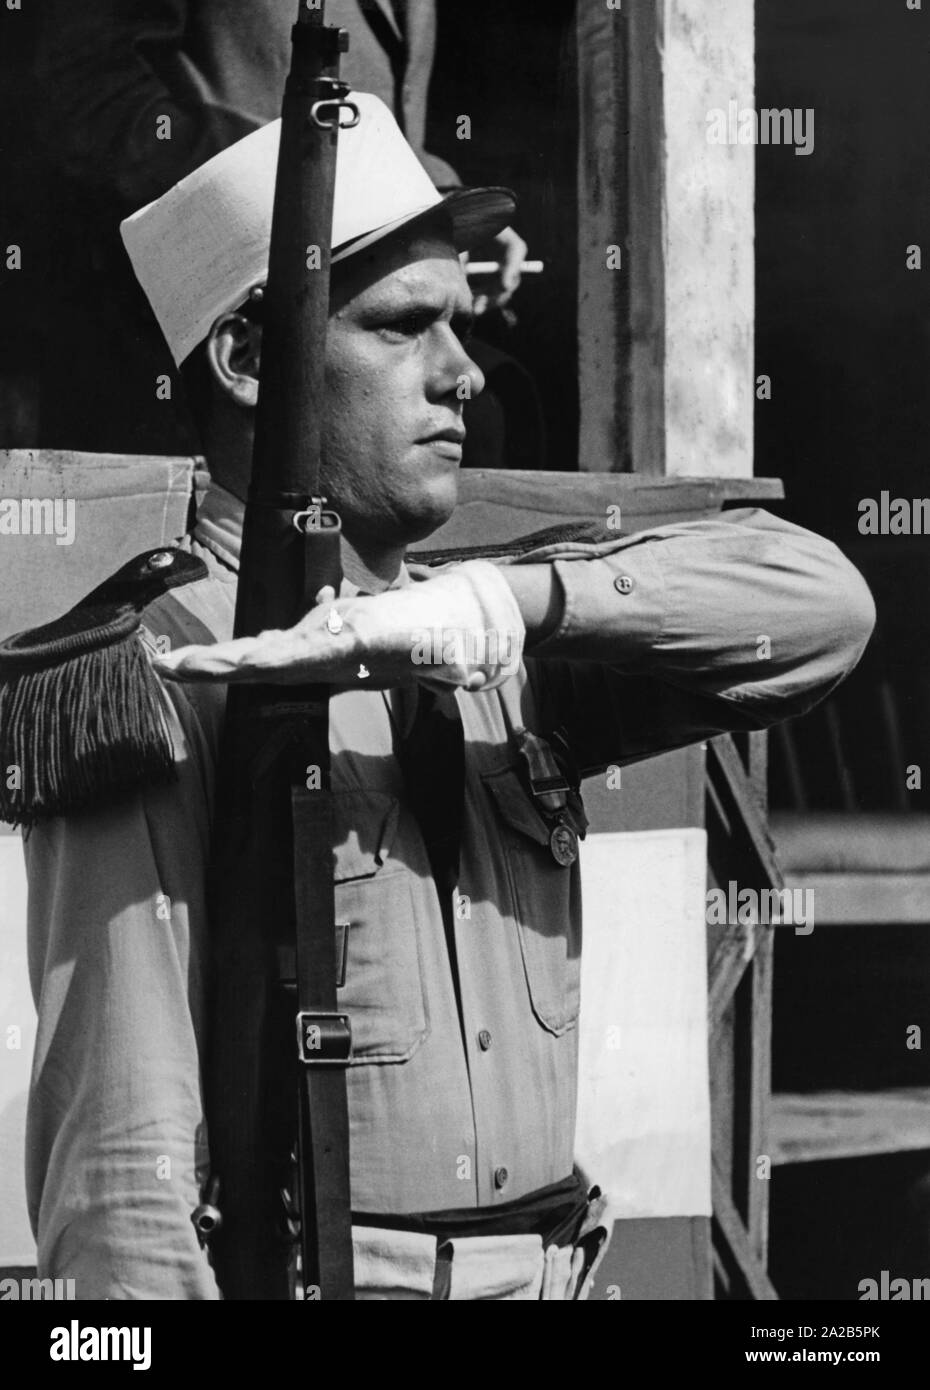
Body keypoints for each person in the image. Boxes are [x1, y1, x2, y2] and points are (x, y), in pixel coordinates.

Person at [8, 91, 876, 1301]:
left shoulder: (491, 634)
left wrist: (500, 610)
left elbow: (824, 606)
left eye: (461, 325)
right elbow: (120, 1178)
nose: (464, 373)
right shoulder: (164, 668)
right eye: (408, 325)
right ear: (251, 358)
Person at [34, 0, 527, 454]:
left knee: (499, 413)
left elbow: (381, 114)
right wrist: (307, 179)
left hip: (348, 355)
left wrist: (432, 207)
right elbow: (87, 94)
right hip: (189, 350)